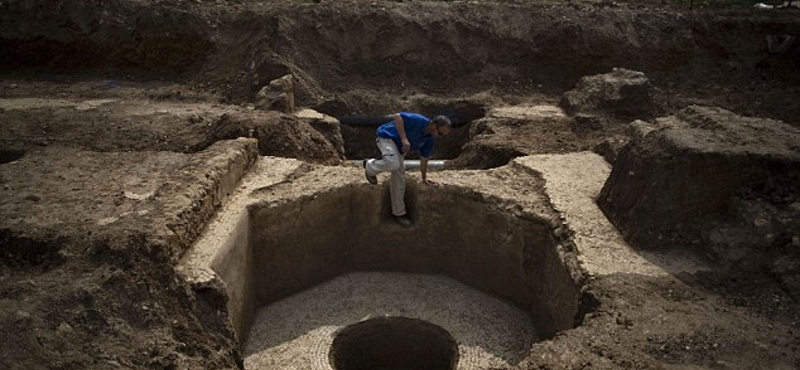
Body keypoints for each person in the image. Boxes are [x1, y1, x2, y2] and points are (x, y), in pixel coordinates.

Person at [363, 112, 452, 227]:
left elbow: (424, 158)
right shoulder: (419, 120)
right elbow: (397, 116)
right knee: (393, 163)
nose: (438, 136)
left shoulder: (429, 140)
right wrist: (404, 138)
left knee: (399, 178)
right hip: (387, 138)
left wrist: (424, 178)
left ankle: (399, 214)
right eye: (440, 133)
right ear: (433, 124)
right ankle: (369, 166)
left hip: (398, 149)